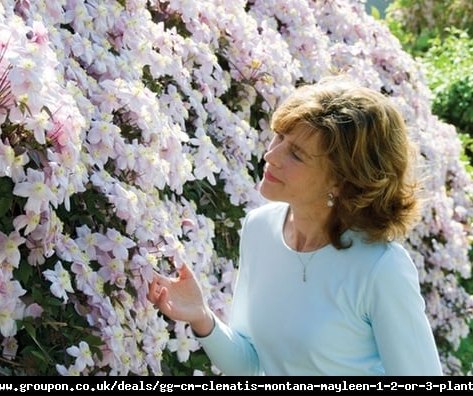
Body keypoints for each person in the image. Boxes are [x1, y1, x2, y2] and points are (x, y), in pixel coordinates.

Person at [147, 75, 443, 376]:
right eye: (279, 137)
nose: (270, 155)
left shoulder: (381, 268)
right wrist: (201, 317)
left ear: (342, 181)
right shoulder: (259, 228)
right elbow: (250, 365)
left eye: (296, 154)